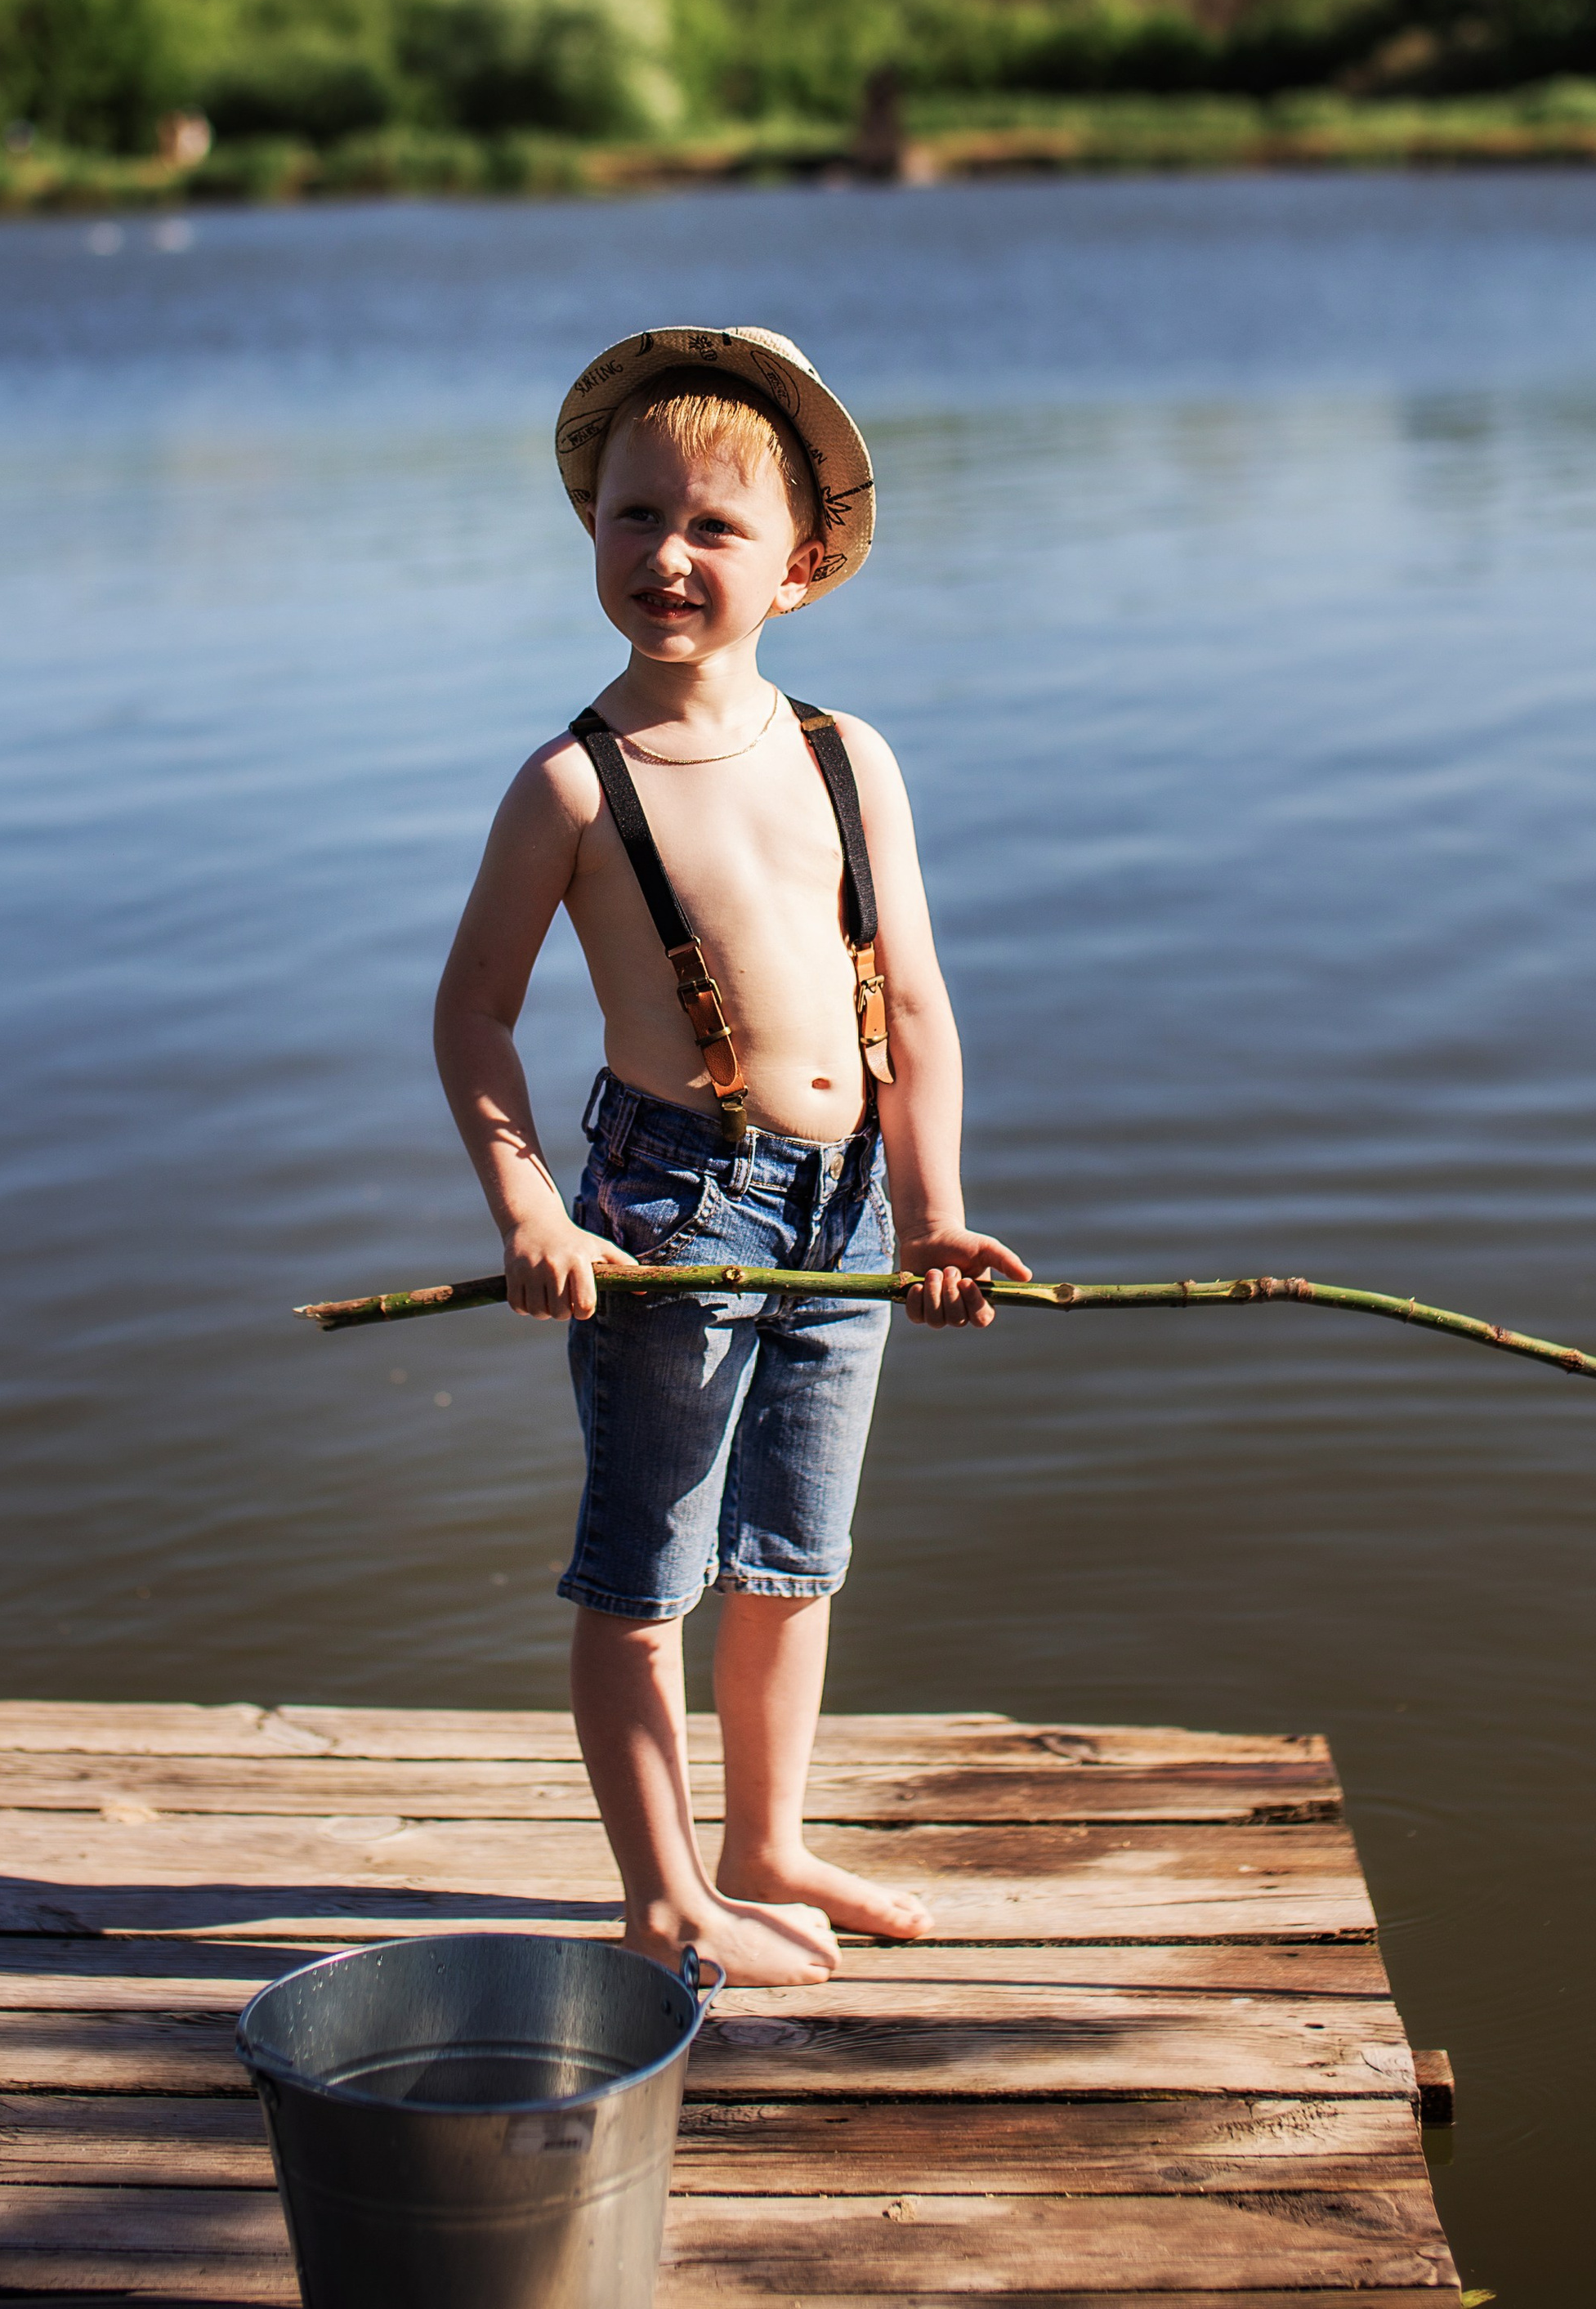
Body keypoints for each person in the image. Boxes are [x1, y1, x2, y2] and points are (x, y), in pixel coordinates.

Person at [435, 324, 1026, 1986]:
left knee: (791, 1555)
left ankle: (765, 1842)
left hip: (846, 1209)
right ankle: (663, 1895)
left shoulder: (848, 756)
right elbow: (472, 1016)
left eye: (713, 526)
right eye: (635, 517)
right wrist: (532, 1210)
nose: (668, 556)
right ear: (592, 531)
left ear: (800, 565)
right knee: (645, 1573)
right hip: (669, 1208)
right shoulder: (572, 785)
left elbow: (914, 1001)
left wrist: (934, 1212)